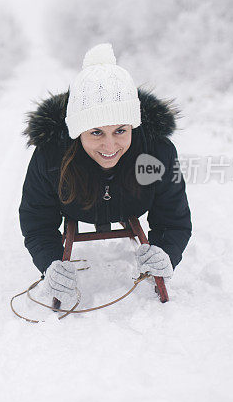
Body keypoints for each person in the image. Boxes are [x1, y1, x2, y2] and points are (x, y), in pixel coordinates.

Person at [18, 43, 192, 307]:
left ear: (134, 126)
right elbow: (37, 221)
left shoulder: (156, 153)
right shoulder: (51, 156)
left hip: (130, 204)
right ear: (78, 132)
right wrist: (50, 263)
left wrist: (166, 252)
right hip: (78, 209)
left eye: (120, 131)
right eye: (96, 132)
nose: (110, 147)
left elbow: (174, 216)